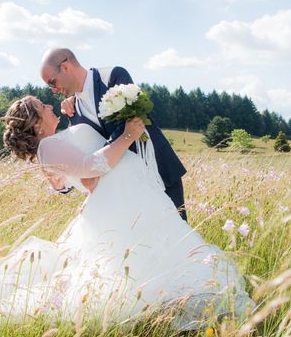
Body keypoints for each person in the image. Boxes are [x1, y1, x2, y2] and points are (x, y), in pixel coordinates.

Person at [0, 96, 252, 331]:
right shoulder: (47, 148)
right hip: (117, 200)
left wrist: (81, 114)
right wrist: (127, 134)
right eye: (42, 106)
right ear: (35, 122)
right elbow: (92, 168)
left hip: (123, 198)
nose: (49, 105)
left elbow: (82, 175)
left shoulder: (55, 141)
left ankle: (179, 304)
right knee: (131, 265)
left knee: (153, 252)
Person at [40, 48, 188, 221]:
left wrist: (95, 168)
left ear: (65, 67)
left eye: (52, 82)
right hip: (123, 191)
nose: (53, 90)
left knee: (178, 237)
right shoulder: (73, 112)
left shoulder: (113, 77)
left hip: (157, 172)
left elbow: (129, 123)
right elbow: (82, 157)